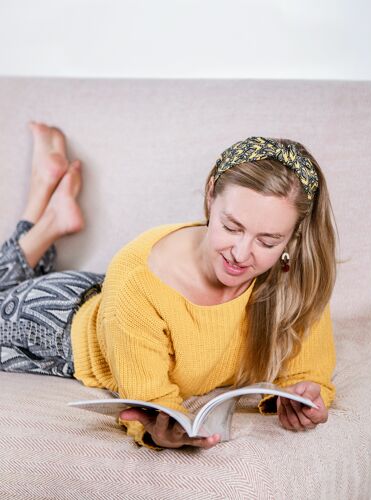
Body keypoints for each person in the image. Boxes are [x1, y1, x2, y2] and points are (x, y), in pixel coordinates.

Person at [0, 122, 336, 450]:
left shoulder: (295, 277)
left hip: (111, 301)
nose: (241, 253)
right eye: (231, 227)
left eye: (268, 240)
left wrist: (304, 399)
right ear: (210, 197)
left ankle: (50, 211)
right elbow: (149, 400)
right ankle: (45, 209)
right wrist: (161, 426)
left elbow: (307, 374)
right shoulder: (139, 283)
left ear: (294, 236)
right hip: (53, 319)